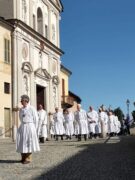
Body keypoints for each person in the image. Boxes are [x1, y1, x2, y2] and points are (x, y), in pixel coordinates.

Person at [16, 95, 40, 164]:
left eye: (22, 101)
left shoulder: (32, 108)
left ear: (26, 101)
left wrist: (34, 128)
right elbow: (20, 118)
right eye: (21, 101)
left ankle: (28, 158)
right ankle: (23, 157)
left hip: (30, 126)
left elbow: (36, 119)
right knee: (21, 141)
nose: (21, 102)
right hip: (23, 126)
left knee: (28, 142)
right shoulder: (21, 109)